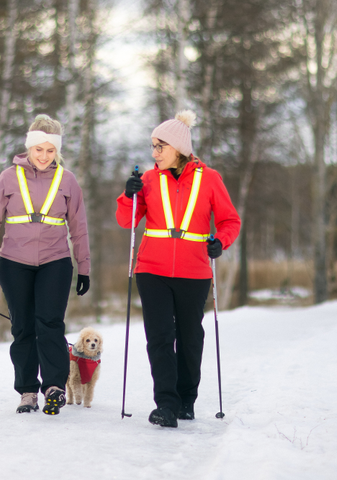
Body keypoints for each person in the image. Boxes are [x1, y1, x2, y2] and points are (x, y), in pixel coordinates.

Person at [115, 110, 240, 427]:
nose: (154, 153)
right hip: (151, 269)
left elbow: (230, 221)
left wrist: (220, 242)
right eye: (153, 146)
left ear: (179, 148)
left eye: (160, 146)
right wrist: (128, 195)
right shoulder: (147, 180)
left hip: (194, 270)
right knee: (159, 338)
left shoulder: (209, 179)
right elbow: (125, 220)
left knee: (189, 337)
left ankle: (186, 400)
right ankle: (166, 405)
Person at [0, 114, 91, 415]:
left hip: (55, 261)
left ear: (57, 151)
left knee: (49, 323)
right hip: (14, 262)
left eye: (50, 150)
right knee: (22, 328)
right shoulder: (8, 177)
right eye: (39, 150)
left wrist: (84, 267)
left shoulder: (68, 180)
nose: (44, 156)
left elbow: (79, 227)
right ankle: (27, 391)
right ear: (28, 148)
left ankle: (54, 388)